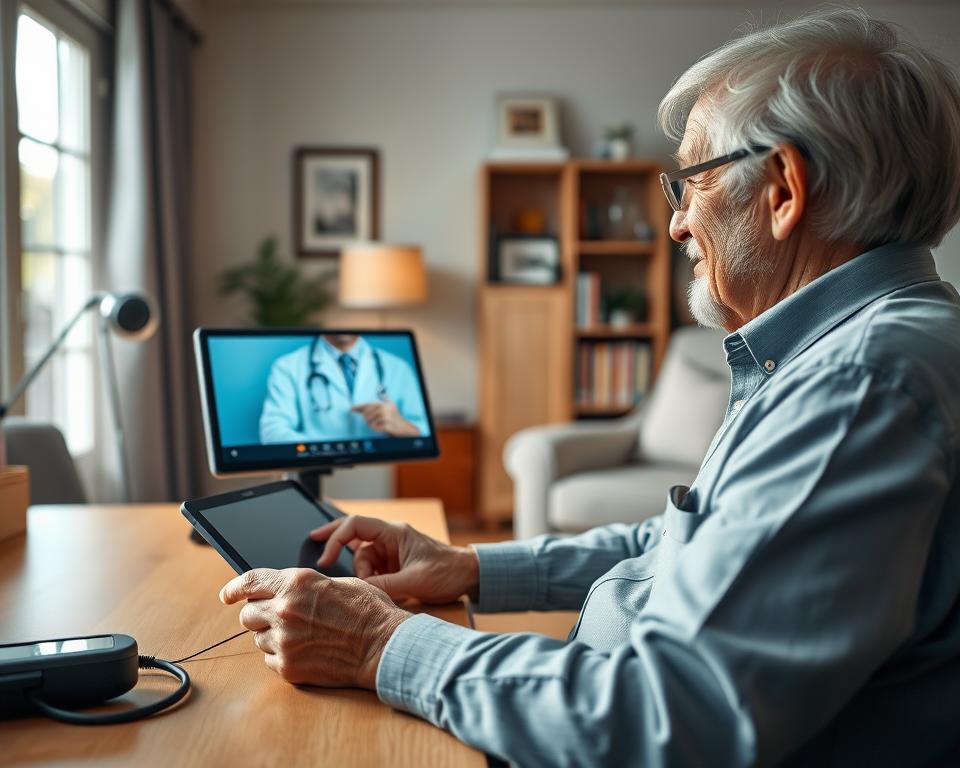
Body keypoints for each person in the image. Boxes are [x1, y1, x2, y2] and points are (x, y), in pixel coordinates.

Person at [220, 9, 960, 766]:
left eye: (690, 182)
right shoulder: (840, 354)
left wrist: (380, 642)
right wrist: (470, 566)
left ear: (782, 190)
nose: (674, 227)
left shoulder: (857, 386)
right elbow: (688, 544)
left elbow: (668, 721)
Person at [258, 334, 428, 443]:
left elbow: (425, 436)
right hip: (313, 475)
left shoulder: (397, 367)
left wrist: (401, 426)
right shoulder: (288, 366)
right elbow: (272, 433)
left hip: (382, 481)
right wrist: (326, 448)